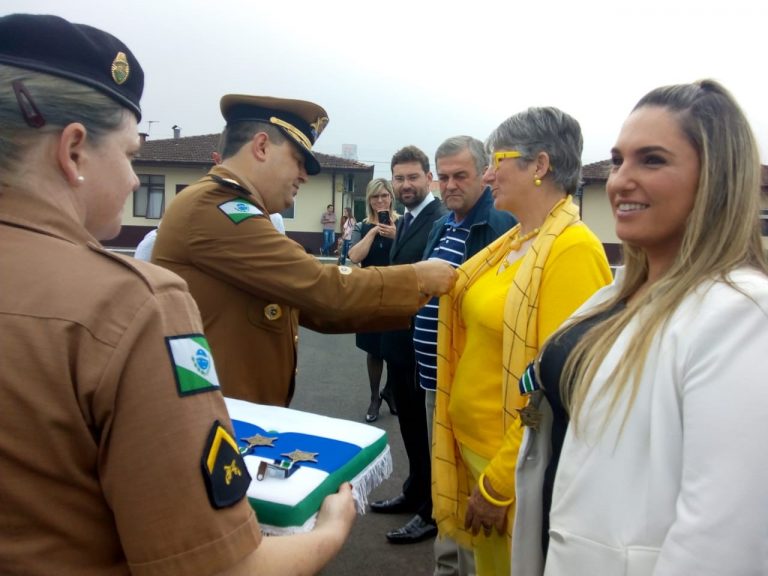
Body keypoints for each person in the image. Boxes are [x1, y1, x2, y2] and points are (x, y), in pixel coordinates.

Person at [0, 13, 357, 575]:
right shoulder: (133, 306)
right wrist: (330, 529)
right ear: (73, 151)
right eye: (129, 154)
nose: (137, 181)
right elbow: (219, 567)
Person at [528, 81, 768, 576]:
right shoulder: (615, 295)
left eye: (652, 160)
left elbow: (719, 541)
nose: (620, 181)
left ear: (716, 179)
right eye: (618, 160)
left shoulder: (742, 314)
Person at [153, 97, 455, 407]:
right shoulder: (216, 207)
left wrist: (412, 304)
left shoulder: (231, 207)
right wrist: (417, 278)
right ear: (261, 147)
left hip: (231, 410)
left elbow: (312, 307)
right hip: (216, 415)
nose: (304, 175)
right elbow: (321, 287)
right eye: (298, 160)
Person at [431, 108, 612, 575]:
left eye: (497, 160)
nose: (487, 173)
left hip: (509, 467)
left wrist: (497, 483)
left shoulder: (571, 249)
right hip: (473, 446)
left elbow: (555, 385)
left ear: (540, 166)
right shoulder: (515, 241)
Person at [415, 135, 516, 575]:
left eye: (461, 175)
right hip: (434, 379)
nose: (450, 185)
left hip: (468, 385)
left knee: (471, 494)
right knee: (447, 485)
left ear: (484, 176)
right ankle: (447, 566)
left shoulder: (500, 225)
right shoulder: (444, 223)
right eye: (444, 176)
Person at [370, 146, 447, 545]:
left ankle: (433, 511)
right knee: (412, 431)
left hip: (424, 351)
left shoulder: (439, 219)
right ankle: (415, 492)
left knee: (429, 435)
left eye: (413, 177)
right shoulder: (406, 219)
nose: (405, 185)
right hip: (399, 346)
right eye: (398, 178)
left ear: (428, 178)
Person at [348, 178, 400, 422]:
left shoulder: (403, 224)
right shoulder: (361, 226)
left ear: (391, 197)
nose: (380, 201)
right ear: (369, 200)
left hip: (398, 295)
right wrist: (373, 232)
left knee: (397, 350)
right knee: (374, 350)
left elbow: (414, 255)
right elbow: (354, 256)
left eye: (384, 196)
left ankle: (390, 390)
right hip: (371, 296)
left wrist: (394, 236)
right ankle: (373, 398)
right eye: (375, 197)